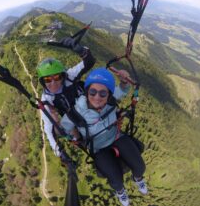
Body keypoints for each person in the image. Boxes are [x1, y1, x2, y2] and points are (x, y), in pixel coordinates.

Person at [60, 68, 147, 206]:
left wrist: (124, 81)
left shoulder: (111, 101)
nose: (97, 97)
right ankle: (120, 191)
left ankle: (138, 178)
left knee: (140, 167)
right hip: (98, 148)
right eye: (93, 92)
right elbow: (63, 128)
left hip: (116, 136)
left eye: (103, 93)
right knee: (116, 180)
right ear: (87, 91)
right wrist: (76, 137)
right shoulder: (77, 112)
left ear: (108, 94)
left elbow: (123, 89)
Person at [37, 37, 96, 162]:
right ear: (42, 81)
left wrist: (81, 50)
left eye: (57, 77)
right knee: (58, 126)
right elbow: (48, 128)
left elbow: (89, 61)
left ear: (63, 76)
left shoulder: (70, 75)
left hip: (90, 108)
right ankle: (79, 139)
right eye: (47, 79)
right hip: (75, 121)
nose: (53, 82)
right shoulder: (47, 99)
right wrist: (59, 152)